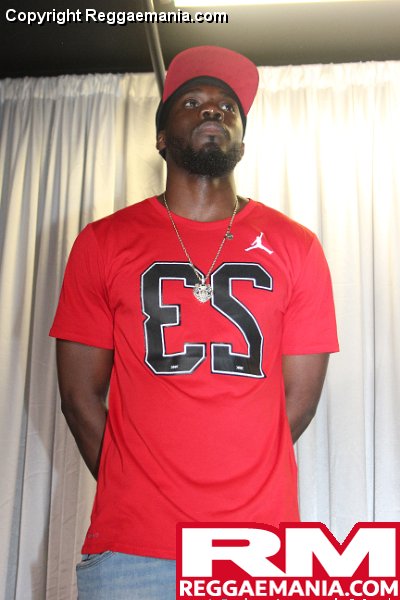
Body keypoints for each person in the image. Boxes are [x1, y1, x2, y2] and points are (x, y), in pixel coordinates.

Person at [50, 45, 339, 599]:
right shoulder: (102, 242)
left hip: (257, 546)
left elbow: (298, 403)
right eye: (193, 102)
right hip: (132, 550)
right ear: (161, 138)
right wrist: (136, 486)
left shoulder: (296, 246)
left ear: (242, 144)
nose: (213, 110)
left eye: (228, 107)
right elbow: (78, 397)